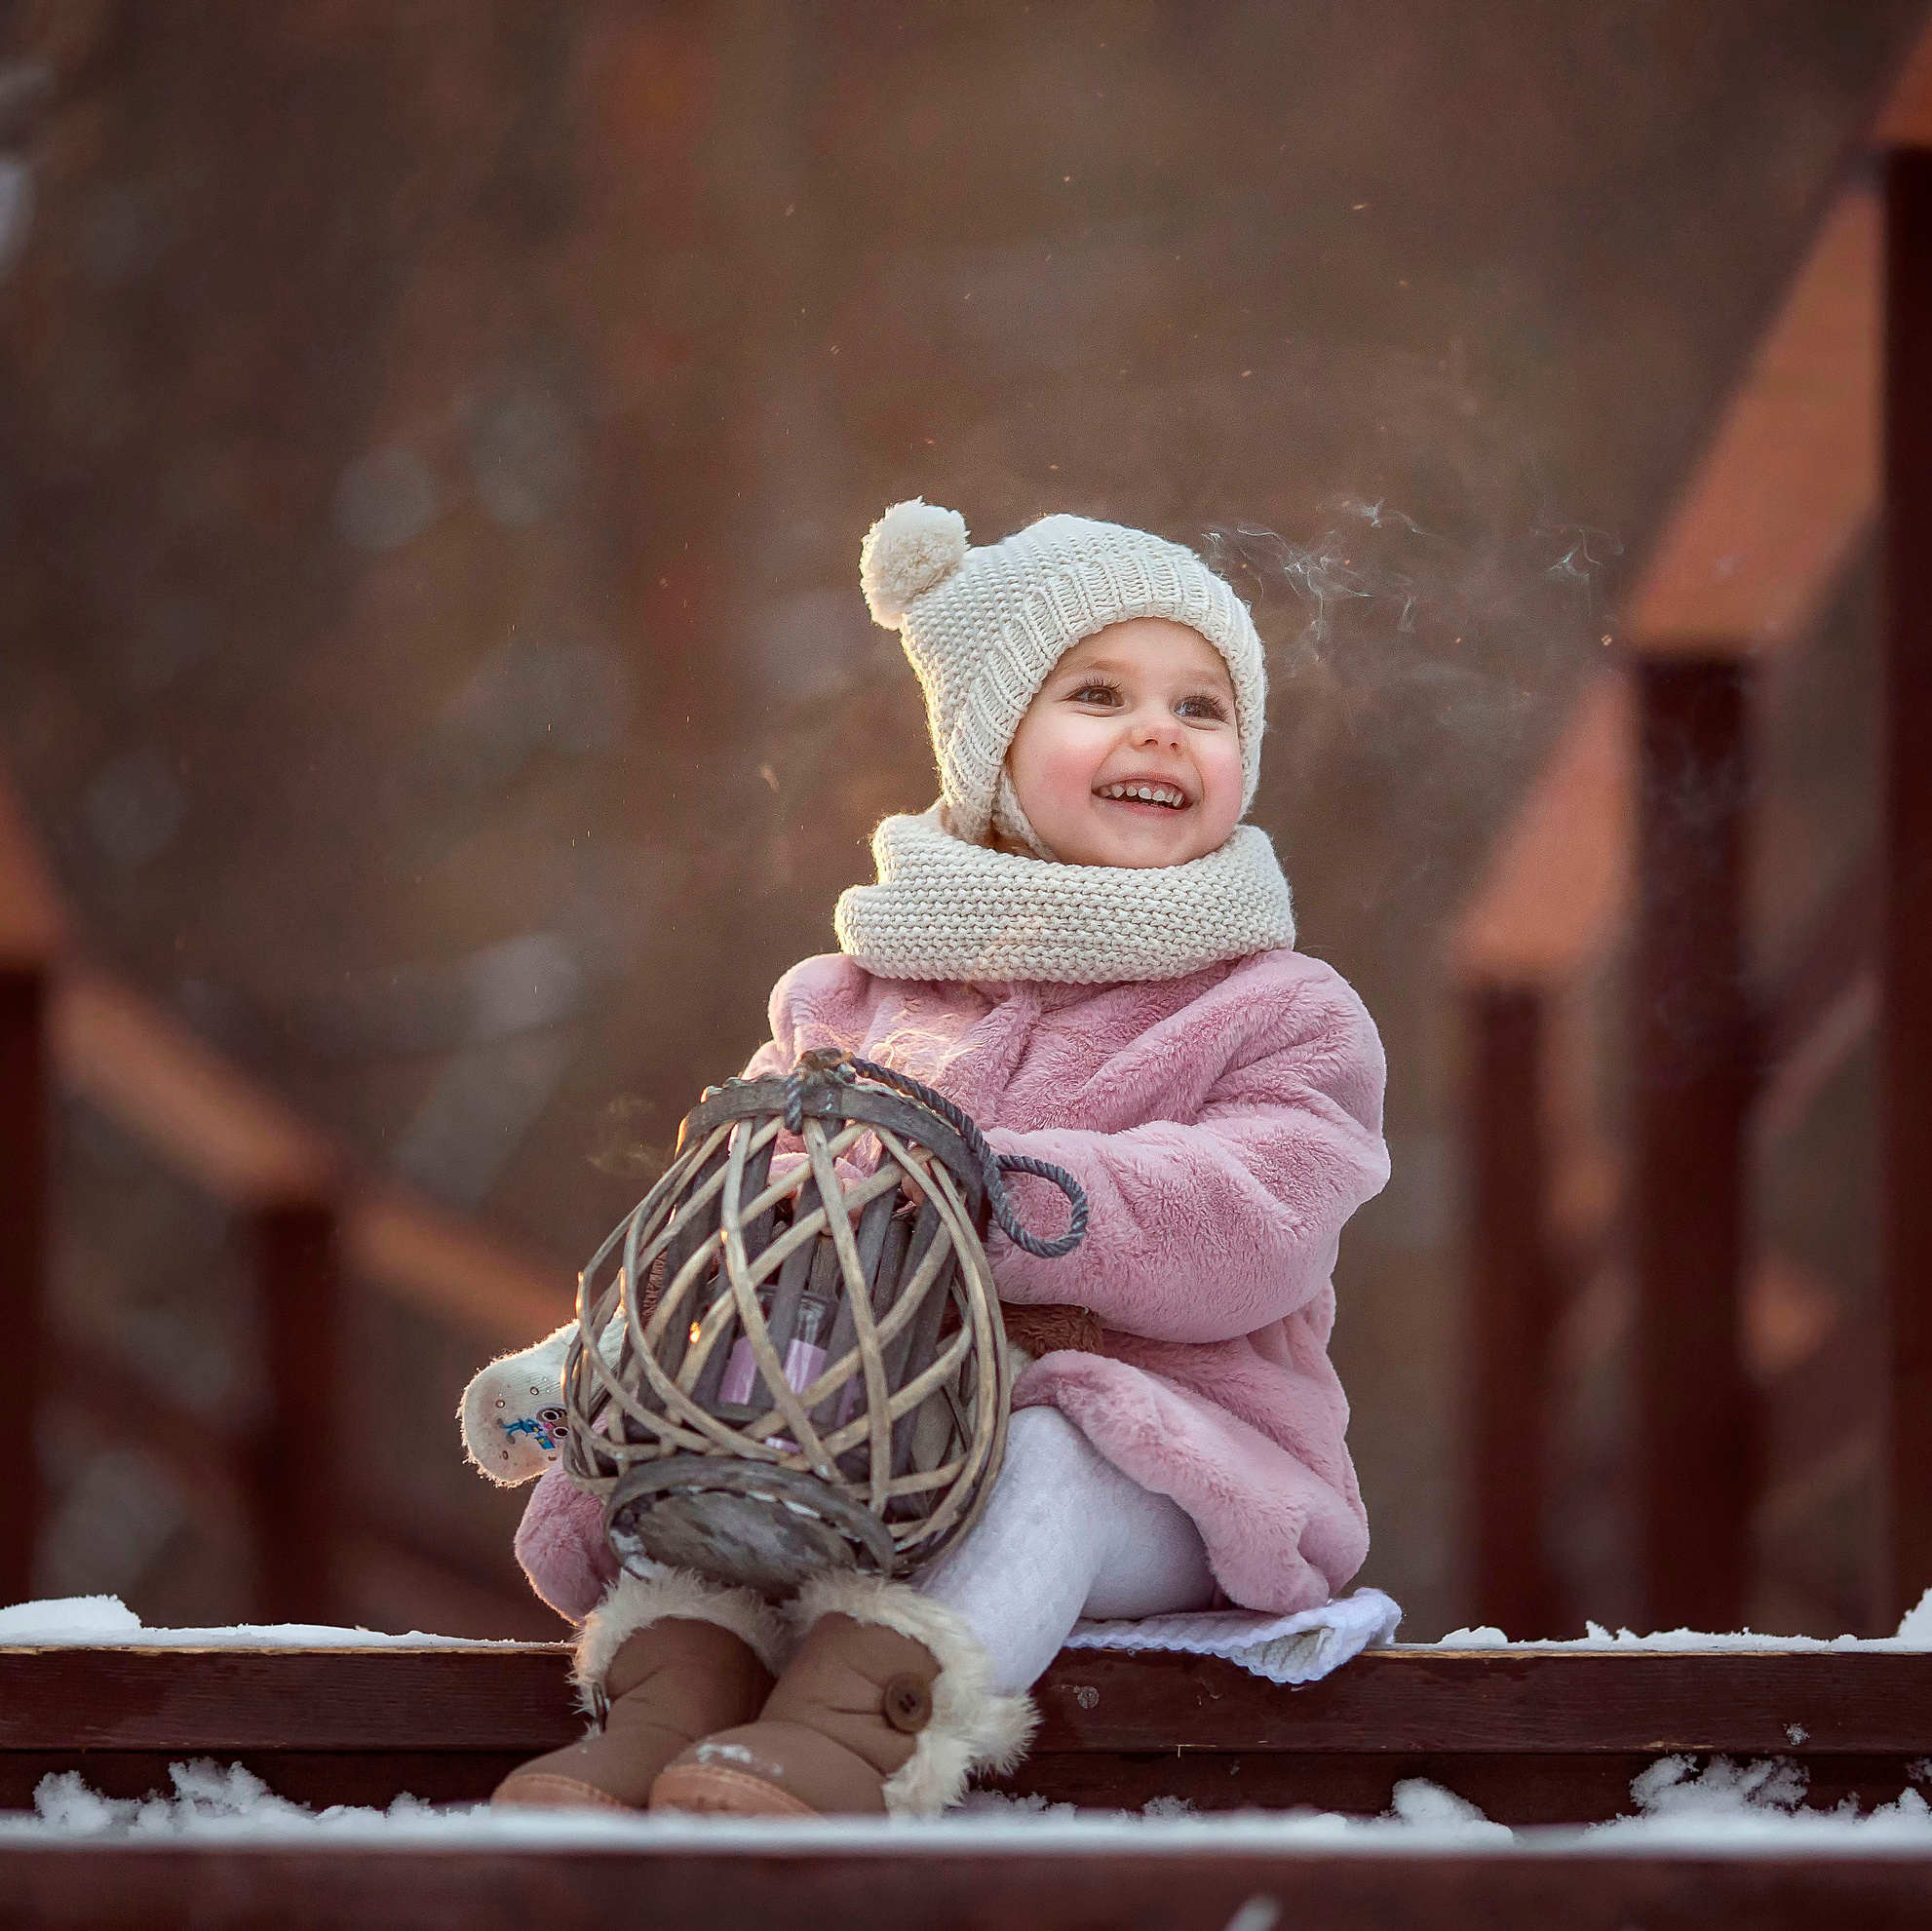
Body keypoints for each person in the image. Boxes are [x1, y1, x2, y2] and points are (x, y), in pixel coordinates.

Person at [470, 500, 1390, 1819]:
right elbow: (736, 1237)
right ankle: (665, 1719)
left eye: (1204, 707)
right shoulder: (846, 1004)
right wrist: (592, 1363)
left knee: (1051, 1461)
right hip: (867, 1451)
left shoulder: (1278, 1009)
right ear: (990, 745)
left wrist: (985, 1195)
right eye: (1097, 692)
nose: (1158, 730)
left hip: (1167, 1466)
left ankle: (855, 1732)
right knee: (710, 1438)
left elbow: (1260, 1222)